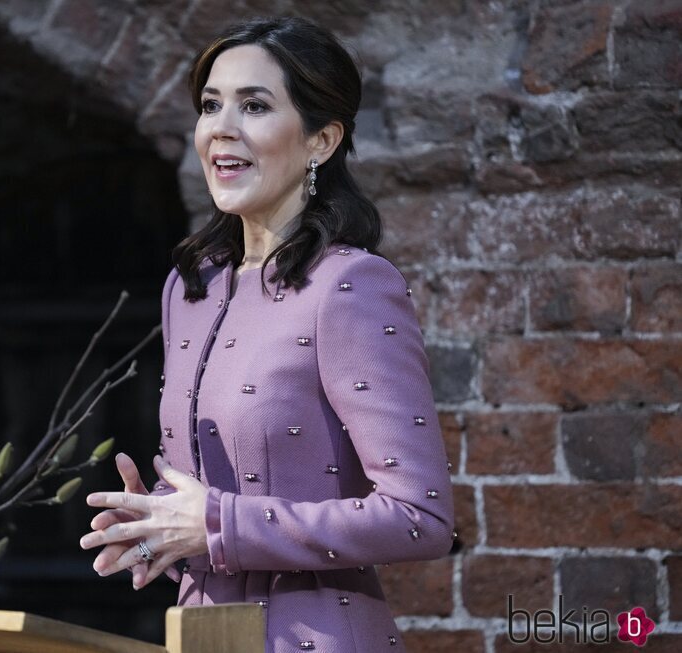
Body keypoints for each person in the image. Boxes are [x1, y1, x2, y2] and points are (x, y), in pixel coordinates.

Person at [79, 16, 454, 652]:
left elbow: (422, 519)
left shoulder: (352, 286)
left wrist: (218, 524)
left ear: (322, 140)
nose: (222, 126)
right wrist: (162, 524)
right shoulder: (190, 288)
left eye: (254, 105)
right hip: (201, 635)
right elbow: (218, 505)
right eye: (210, 105)